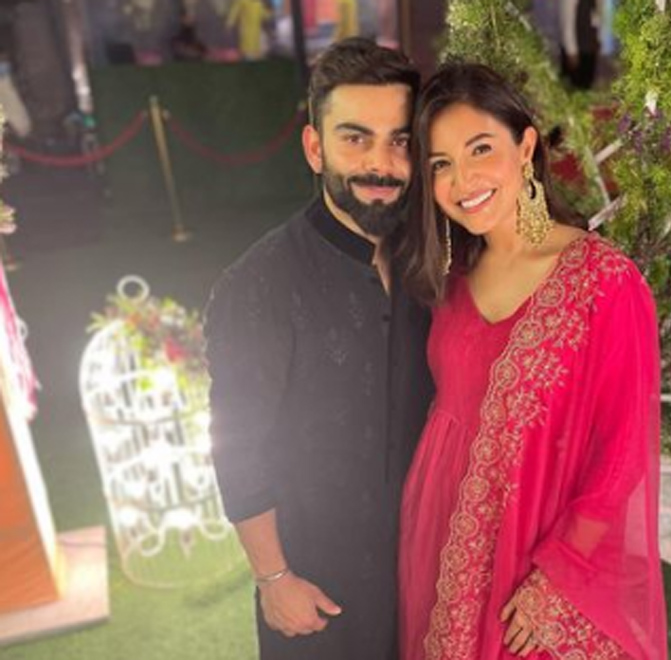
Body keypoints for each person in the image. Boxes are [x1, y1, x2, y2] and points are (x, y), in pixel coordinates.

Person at [398, 63, 666, 660]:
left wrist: (559, 576)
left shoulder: (603, 280)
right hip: (444, 551)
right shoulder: (450, 284)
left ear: (525, 148)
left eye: (480, 149)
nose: (462, 180)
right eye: (441, 164)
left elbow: (623, 451)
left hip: (543, 567)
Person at [204, 38, 432, 660]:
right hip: (316, 592)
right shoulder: (258, 284)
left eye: (399, 141)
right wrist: (273, 578)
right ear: (315, 147)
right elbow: (236, 447)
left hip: (423, 576)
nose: (381, 163)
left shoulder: (428, 261)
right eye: (356, 139)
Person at [559, 0, 601, 90]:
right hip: (576, 49)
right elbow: (567, 24)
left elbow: (594, 16)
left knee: (586, 84)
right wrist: (571, 51)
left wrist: (595, 38)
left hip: (588, 47)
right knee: (574, 85)